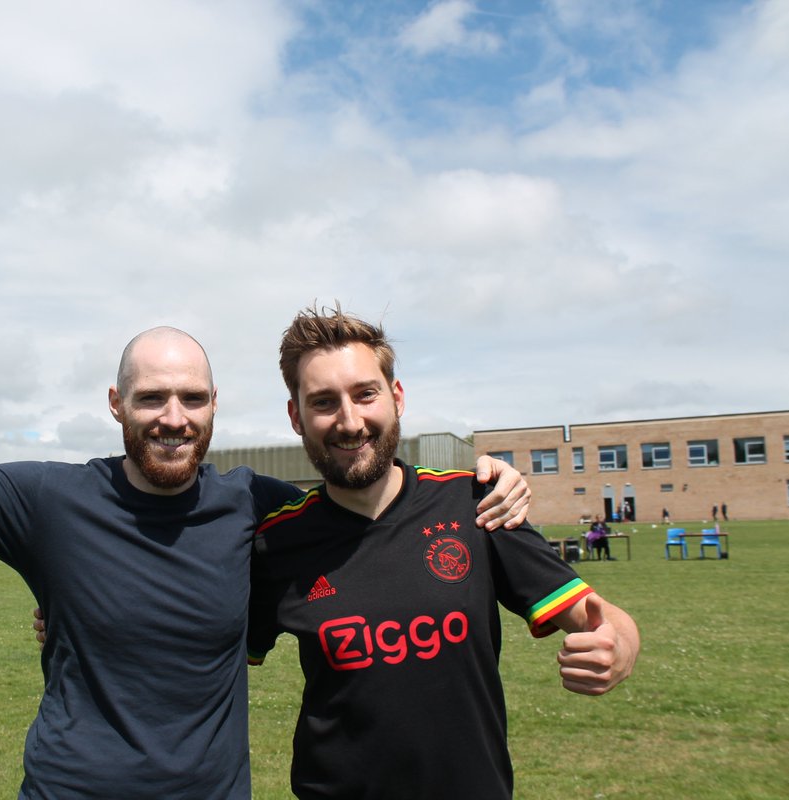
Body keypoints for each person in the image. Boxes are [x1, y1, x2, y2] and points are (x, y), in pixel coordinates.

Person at [0, 274, 532, 799]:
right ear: (116, 404)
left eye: (191, 397)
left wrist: (482, 479)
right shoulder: (48, 500)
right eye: (151, 398)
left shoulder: (256, 507)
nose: (173, 417)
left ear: (215, 404)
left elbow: (366, 506)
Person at [247, 305, 640, 799]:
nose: (349, 421)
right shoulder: (278, 541)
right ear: (295, 417)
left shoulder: (478, 504)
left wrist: (620, 646)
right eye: (323, 402)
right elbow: (207, 658)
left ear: (396, 397)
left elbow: (601, 619)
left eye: (365, 394)